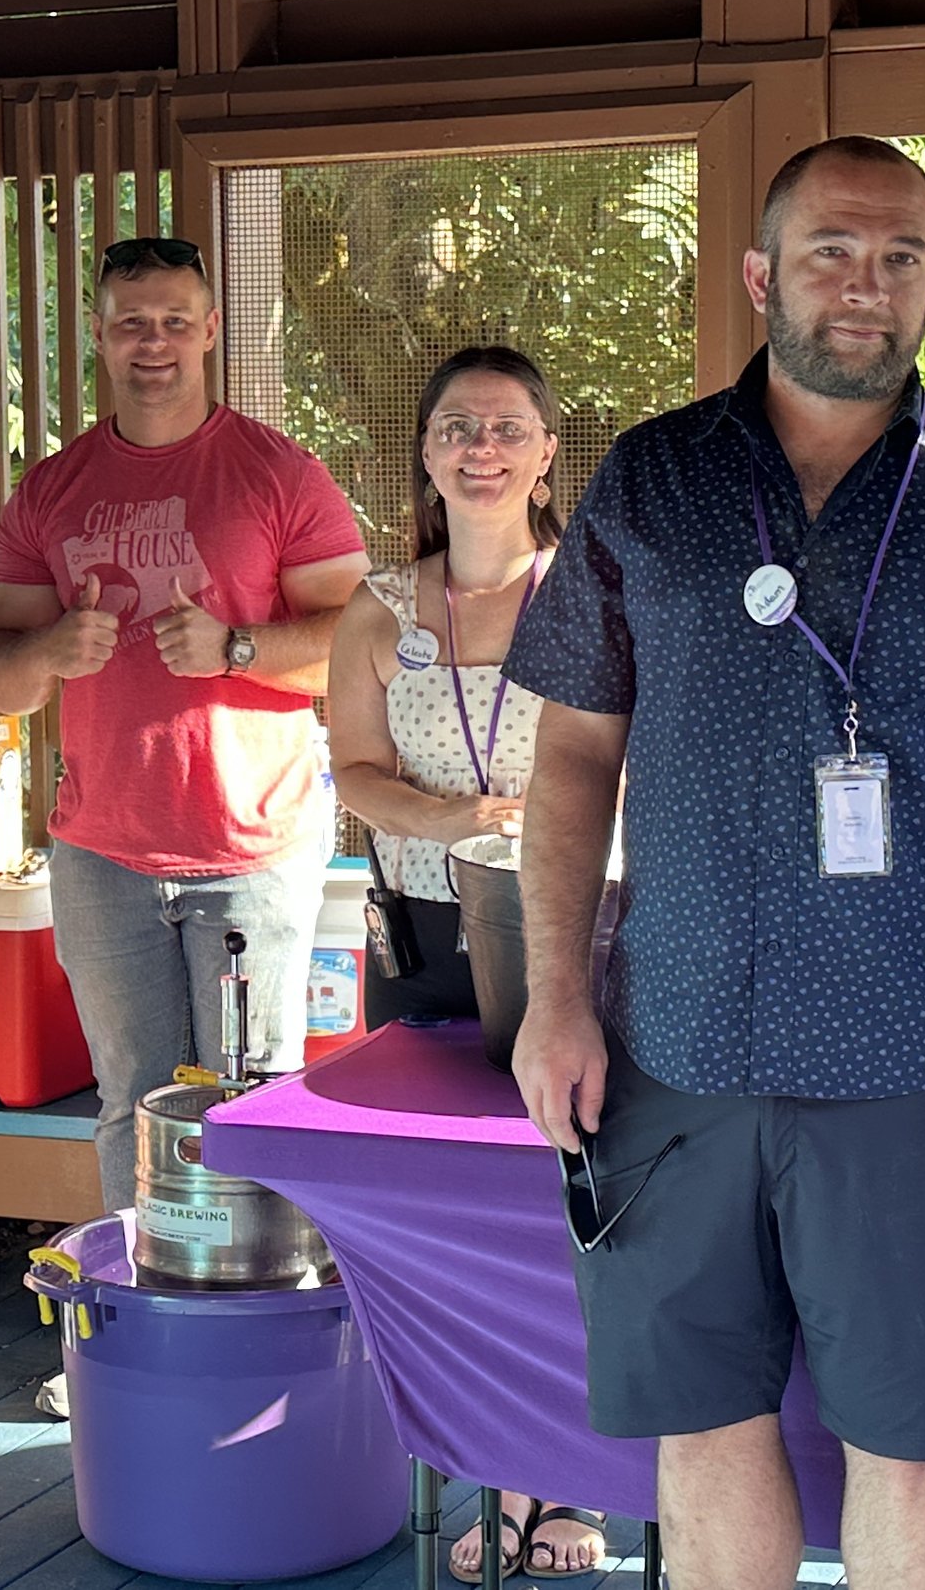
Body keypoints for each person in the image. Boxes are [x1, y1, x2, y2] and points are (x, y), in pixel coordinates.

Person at [504, 136, 925, 1590]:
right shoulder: (656, 475)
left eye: (902, 256)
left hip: (912, 1055)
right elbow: (575, 754)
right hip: (673, 1046)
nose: (867, 284)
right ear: (762, 272)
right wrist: (557, 995)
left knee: (911, 1438)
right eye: (834, 249)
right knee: (702, 1430)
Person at [0, 235, 367, 1223]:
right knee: (132, 1103)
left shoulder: (279, 474)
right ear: (99, 337)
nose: (156, 344)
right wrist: (51, 651)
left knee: (254, 1098)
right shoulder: (51, 489)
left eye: (175, 323)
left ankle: (266, 1332)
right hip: (103, 853)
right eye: (133, 324)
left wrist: (235, 648)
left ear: (211, 333)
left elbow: (360, 654)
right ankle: (138, 1333)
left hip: (250, 849)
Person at [327, 345, 605, 1580]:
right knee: (447, 1226)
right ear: (427, 455)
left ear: (549, 451)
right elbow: (353, 773)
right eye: (456, 427)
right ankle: (465, 1470)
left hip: (566, 943)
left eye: (506, 427)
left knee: (563, 1216)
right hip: (426, 943)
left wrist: (529, 831)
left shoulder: (597, 593)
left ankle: (559, 1486)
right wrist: (458, 820)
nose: (480, 448)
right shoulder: (380, 607)